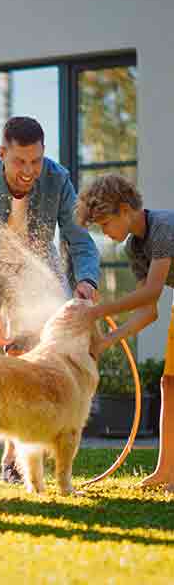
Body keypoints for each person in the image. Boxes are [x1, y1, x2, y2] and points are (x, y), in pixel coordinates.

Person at [0, 116, 100, 484]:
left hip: (33, 283)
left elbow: (78, 239)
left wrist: (85, 279)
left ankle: (13, 468)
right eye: (20, 162)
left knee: (27, 372)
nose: (29, 171)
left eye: (36, 161)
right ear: (3, 153)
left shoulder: (57, 178)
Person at [71, 174, 174, 492]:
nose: (105, 232)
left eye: (106, 223)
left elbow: (152, 292)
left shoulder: (163, 228)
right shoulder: (134, 246)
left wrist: (98, 311)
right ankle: (166, 472)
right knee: (169, 385)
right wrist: (107, 341)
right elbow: (149, 311)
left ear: (126, 209)